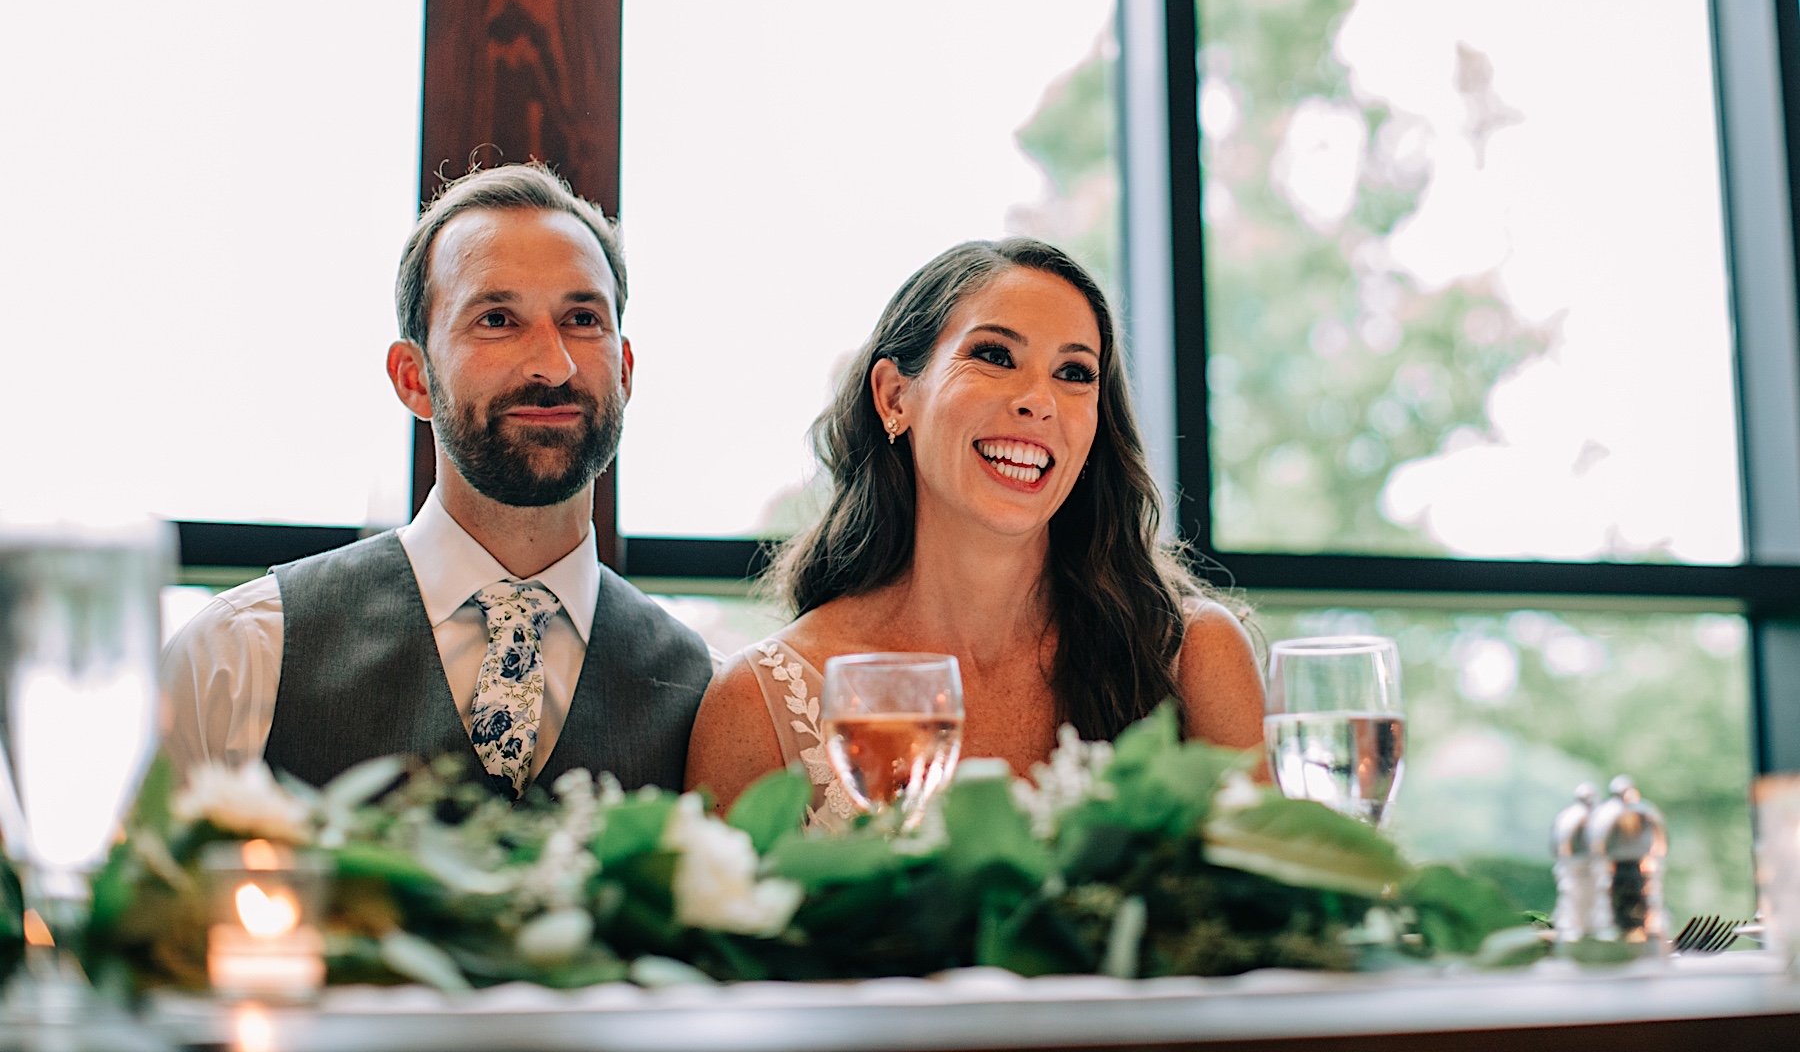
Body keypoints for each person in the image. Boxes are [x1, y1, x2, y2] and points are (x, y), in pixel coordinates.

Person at [161, 163, 711, 799]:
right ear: (413, 378)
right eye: (497, 319)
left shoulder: (705, 693)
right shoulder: (237, 659)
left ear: (625, 370)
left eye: (582, 319)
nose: (552, 365)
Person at [685, 238, 1264, 825]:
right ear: (893, 397)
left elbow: (1279, 909)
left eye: (1073, 372)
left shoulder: (1191, 657)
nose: (1039, 401)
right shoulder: (759, 702)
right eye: (995, 356)